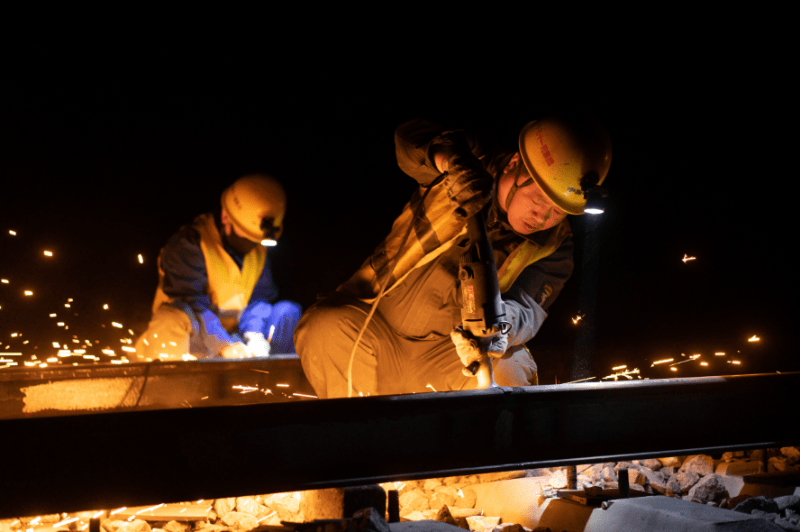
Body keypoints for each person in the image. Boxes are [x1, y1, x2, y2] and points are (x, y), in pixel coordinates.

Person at [295, 115, 612, 398]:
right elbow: (408, 138)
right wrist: (450, 160)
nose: (541, 217)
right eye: (539, 198)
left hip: (449, 355)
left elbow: (529, 310)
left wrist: (500, 326)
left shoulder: (557, 244)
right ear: (515, 164)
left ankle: (496, 462)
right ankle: (360, 450)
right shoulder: (470, 161)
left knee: (509, 369)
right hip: (377, 333)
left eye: (557, 210)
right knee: (323, 328)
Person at [134, 174, 301, 361]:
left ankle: (275, 379)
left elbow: (258, 299)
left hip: (234, 338)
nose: (252, 244)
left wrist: (254, 334)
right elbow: (190, 303)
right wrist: (223, 345)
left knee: (288, 312)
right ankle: (167, 385)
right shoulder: (189, 245)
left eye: (256, 239)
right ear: (225, 216)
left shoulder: (259, 249)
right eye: (246, 234)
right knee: (171, 318)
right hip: (193, 339)